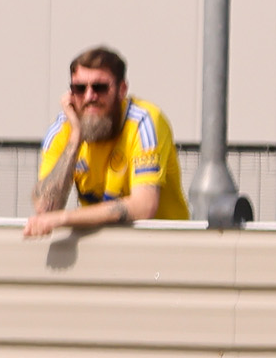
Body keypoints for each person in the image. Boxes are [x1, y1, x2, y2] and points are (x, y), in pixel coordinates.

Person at [27, 47, 188, 236]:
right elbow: (45, 208)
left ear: (122, 90)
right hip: (103, 244)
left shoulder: (144, 121)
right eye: (80, 88)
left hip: (161, 243)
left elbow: (144, 206)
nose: (89, 97)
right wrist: (76, 137)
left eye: (100, 88)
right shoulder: (63, 129)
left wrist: (65, 218)